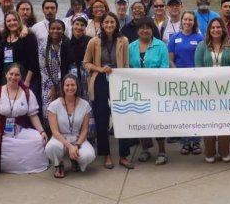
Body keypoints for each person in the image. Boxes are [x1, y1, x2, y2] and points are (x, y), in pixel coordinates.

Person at [83, 11, 132, 170]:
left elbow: (125, 63)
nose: (109, 25)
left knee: (122, 116)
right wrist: (100, 69)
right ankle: (107, 155)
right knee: (102, 119)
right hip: (100, 80)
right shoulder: (94, 42)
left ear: (116, 24)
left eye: (112, 22)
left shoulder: (123, 40)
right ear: (102, 25)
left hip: (118, 80)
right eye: (106, 23)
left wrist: (124, 74)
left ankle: (124, 155)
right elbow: (86, 63)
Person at [0, 63, 49, 174]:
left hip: (19, 129)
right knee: (3, 145)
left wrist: (42, 131)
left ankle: (24, 165)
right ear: (6, 74)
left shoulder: (27, 93)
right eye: (11, 74)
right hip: (0, 131)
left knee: (39, 140)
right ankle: (9, 164)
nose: (13, 77)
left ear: (21, 77)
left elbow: (33, 115)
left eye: (17, 75)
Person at [195, 16, 230, 162]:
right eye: (213, 27)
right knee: (208, 121)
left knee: (224, 121)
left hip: (226, 91)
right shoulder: (202, 46)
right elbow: (198, 67)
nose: (216, 30)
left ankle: (224, 151)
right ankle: (209, 152)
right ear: (209, 30)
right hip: (207, 91)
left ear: (223, 29)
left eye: (218, 27)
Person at [128, 17, 170, 166]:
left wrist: (150, 78)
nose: (145, 30)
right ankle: (145, 149)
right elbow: (126, 68)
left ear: (152, 30)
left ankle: (162, 151)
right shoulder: (130, 47)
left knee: (157, 121)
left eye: (148, 27)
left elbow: (165, 67)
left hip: (155, 90)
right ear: (137, 30)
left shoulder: (161, 46)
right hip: (137, 91)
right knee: (140, 120)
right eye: (141, 28)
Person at [46, 74, 96, 177]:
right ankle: (59, 164)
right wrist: (69, 146)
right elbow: (54, 131)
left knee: (89, 155)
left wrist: (77, 145)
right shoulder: (53, 105)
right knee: (52, 147)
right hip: (60, 138)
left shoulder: (85, 105)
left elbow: (84, 130)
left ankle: (75, 160)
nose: (70, 88)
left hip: (78, 138)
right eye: (67, 85)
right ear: (63, 87)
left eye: (73, 85)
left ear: (77, 86)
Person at [168, 11, 204, 154]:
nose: (187, 22)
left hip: (195, 80)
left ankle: (196, 142)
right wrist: (177, 72)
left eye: (190, 20)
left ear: (194, 22)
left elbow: (202, 58)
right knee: (182, 112)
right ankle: (185, 142)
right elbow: (170, 58)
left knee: (196, 111)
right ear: (181, 21)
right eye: (185, 19)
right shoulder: (174, 38)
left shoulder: (200, 38)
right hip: (179, 80)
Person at [0, 11, 39, 89]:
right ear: (5, 23)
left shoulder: (28, 36)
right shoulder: (3, 37)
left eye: (14, 20)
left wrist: (27, 81)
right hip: (8, 77)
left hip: (25, 78)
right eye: (8, 21)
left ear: (19, 21)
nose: (12, 23)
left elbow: (33, 60)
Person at [41, 19, 70, 109]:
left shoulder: (68, 45)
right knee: (49, 110)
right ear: (49, 30)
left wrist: (62, 86)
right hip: (48, 83)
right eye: (52, 28)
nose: (55, 31)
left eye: (58, 29)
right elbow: (43, 69)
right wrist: (52, 86)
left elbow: (70, 67)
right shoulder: (43, 46)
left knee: (65, 109)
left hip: (66, 84)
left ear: (63, 30)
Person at [66, 14, 92, 97]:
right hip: (71, 77)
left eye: (82, 25)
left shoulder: (90, 41)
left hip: (87, 76)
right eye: (77, 24)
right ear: (72, 25)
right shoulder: (66, 42)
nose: (79, 27)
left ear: (85, 27)